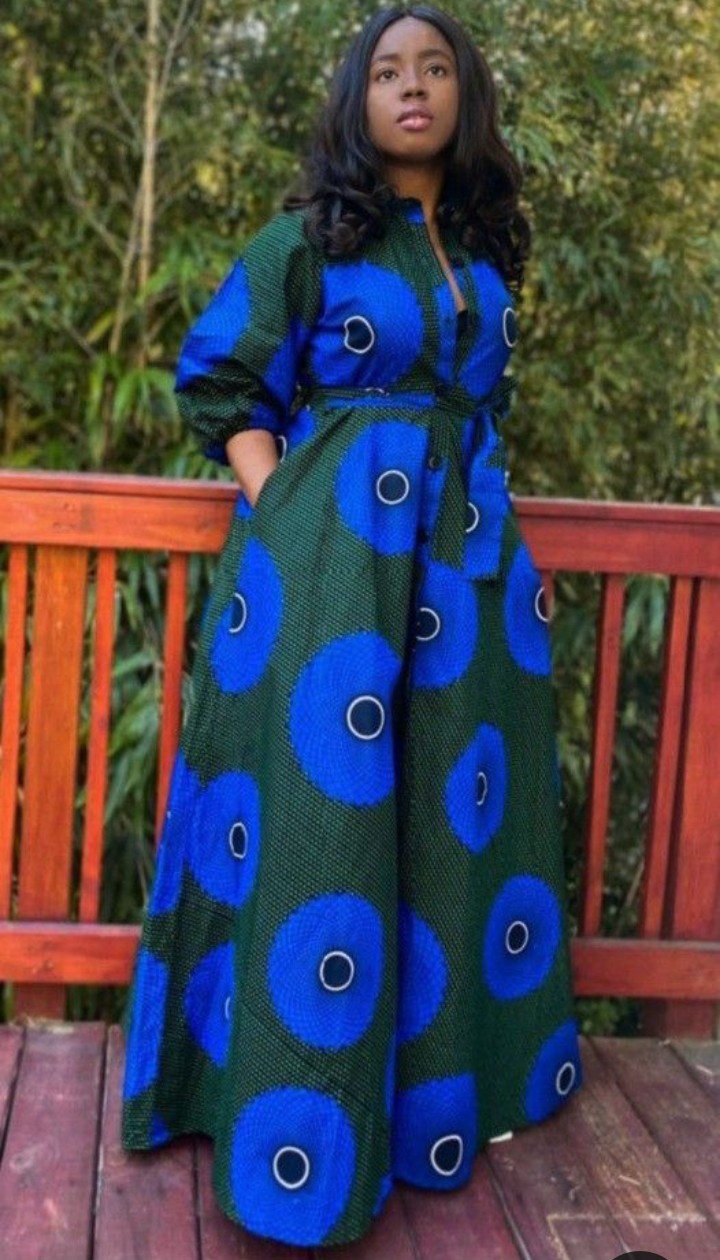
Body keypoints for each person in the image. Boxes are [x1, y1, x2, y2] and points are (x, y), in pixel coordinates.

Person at [120, 4, 584, 1248]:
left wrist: (516, 556)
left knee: (446, 813)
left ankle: (436, 1102)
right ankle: (293, 1130)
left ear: (464, 96)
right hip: (331, 571)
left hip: (464, 580)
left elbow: (477, 426)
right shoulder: (308, 240)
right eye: (387, 71)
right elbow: (221, 381)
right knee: (326, 821)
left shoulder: (481, 249)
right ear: (357, 99)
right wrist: (285, 514)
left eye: (434, 68)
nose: (412, 87)